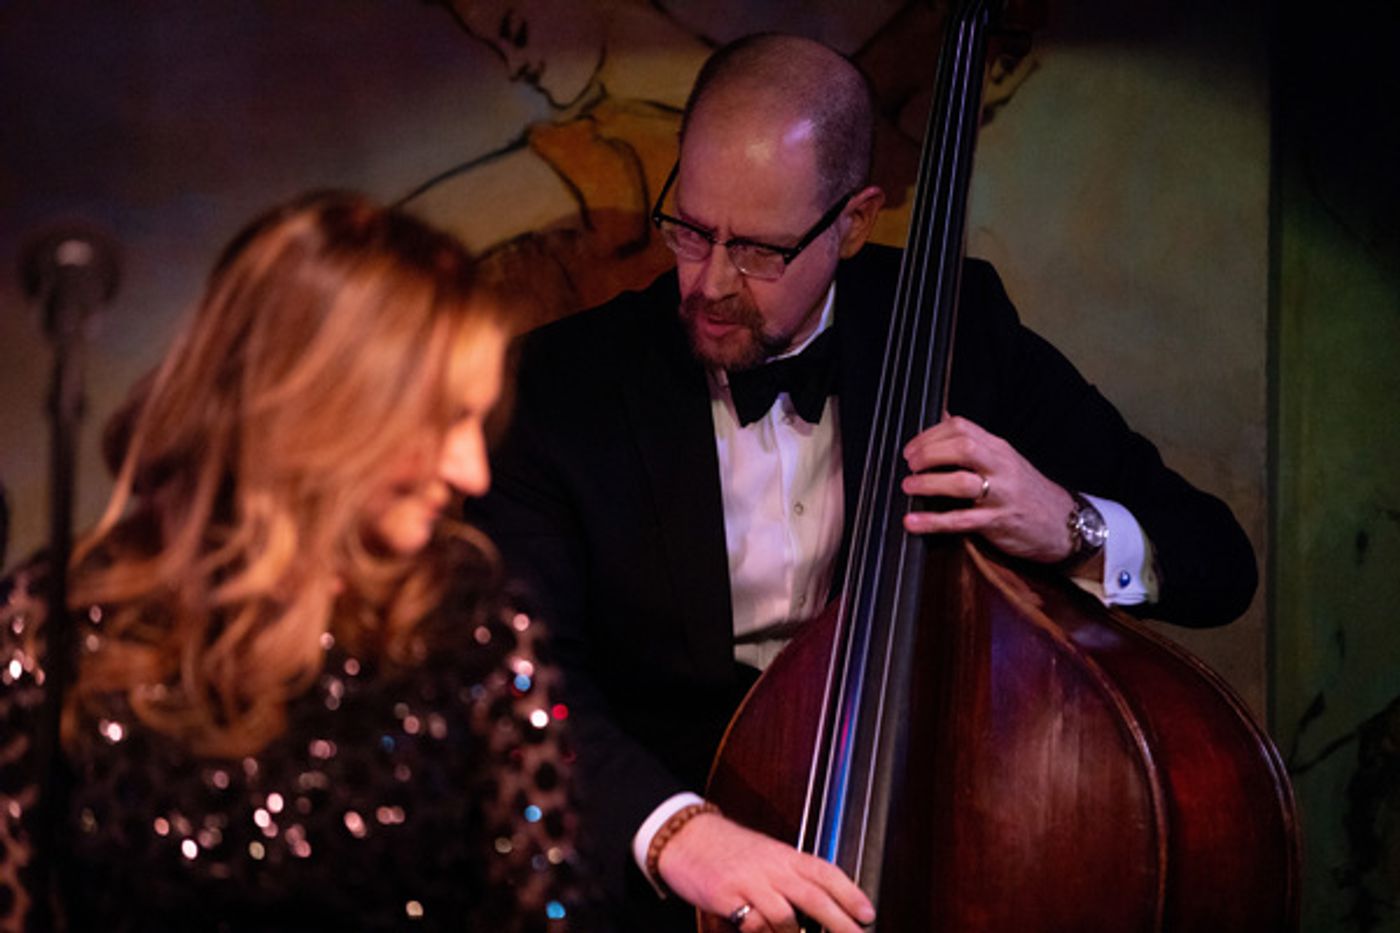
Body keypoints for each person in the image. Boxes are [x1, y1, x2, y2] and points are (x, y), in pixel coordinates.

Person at [473, 34, 1258, 933]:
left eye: (761, 250)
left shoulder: (964, 329)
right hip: (657, 886)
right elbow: (518, 680)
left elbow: (1218, 562)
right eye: (691, 230)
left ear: (853, 221)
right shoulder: (559, 386)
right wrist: (676, 830)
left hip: (931, 850)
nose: (712, 283)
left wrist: (1070, 523)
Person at [0, 192, 586, 931]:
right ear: (321, 411)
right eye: (442, 421)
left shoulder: (470, 616)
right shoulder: (56, 626)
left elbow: (545, 910)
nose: (473, 470)